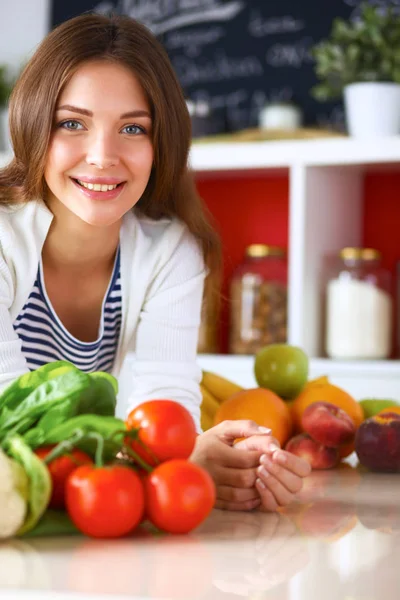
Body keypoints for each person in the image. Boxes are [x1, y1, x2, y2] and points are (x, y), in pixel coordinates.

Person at [0, 13, 310, 512]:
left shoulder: (171, 253)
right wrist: (164, 459)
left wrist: (201, 458)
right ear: (33, 124)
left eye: (132, 128)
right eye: (72, 123)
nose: (102, 156)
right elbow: (8, 410)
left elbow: (165, 405)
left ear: (160, 142)